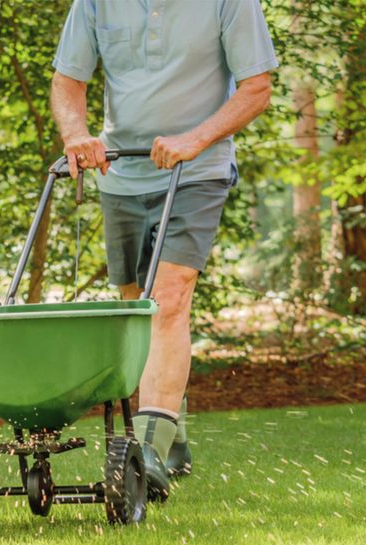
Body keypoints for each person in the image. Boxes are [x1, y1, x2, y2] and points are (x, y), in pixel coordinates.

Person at [50, 0, 278, 498]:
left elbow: (257, 88)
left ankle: (148, 453)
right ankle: (172, 434)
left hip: (196, 171)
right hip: (121, 173)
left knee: (168, 300)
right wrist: (77, 134)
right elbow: (69, 80)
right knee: (135, 309)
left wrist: (196, 138)